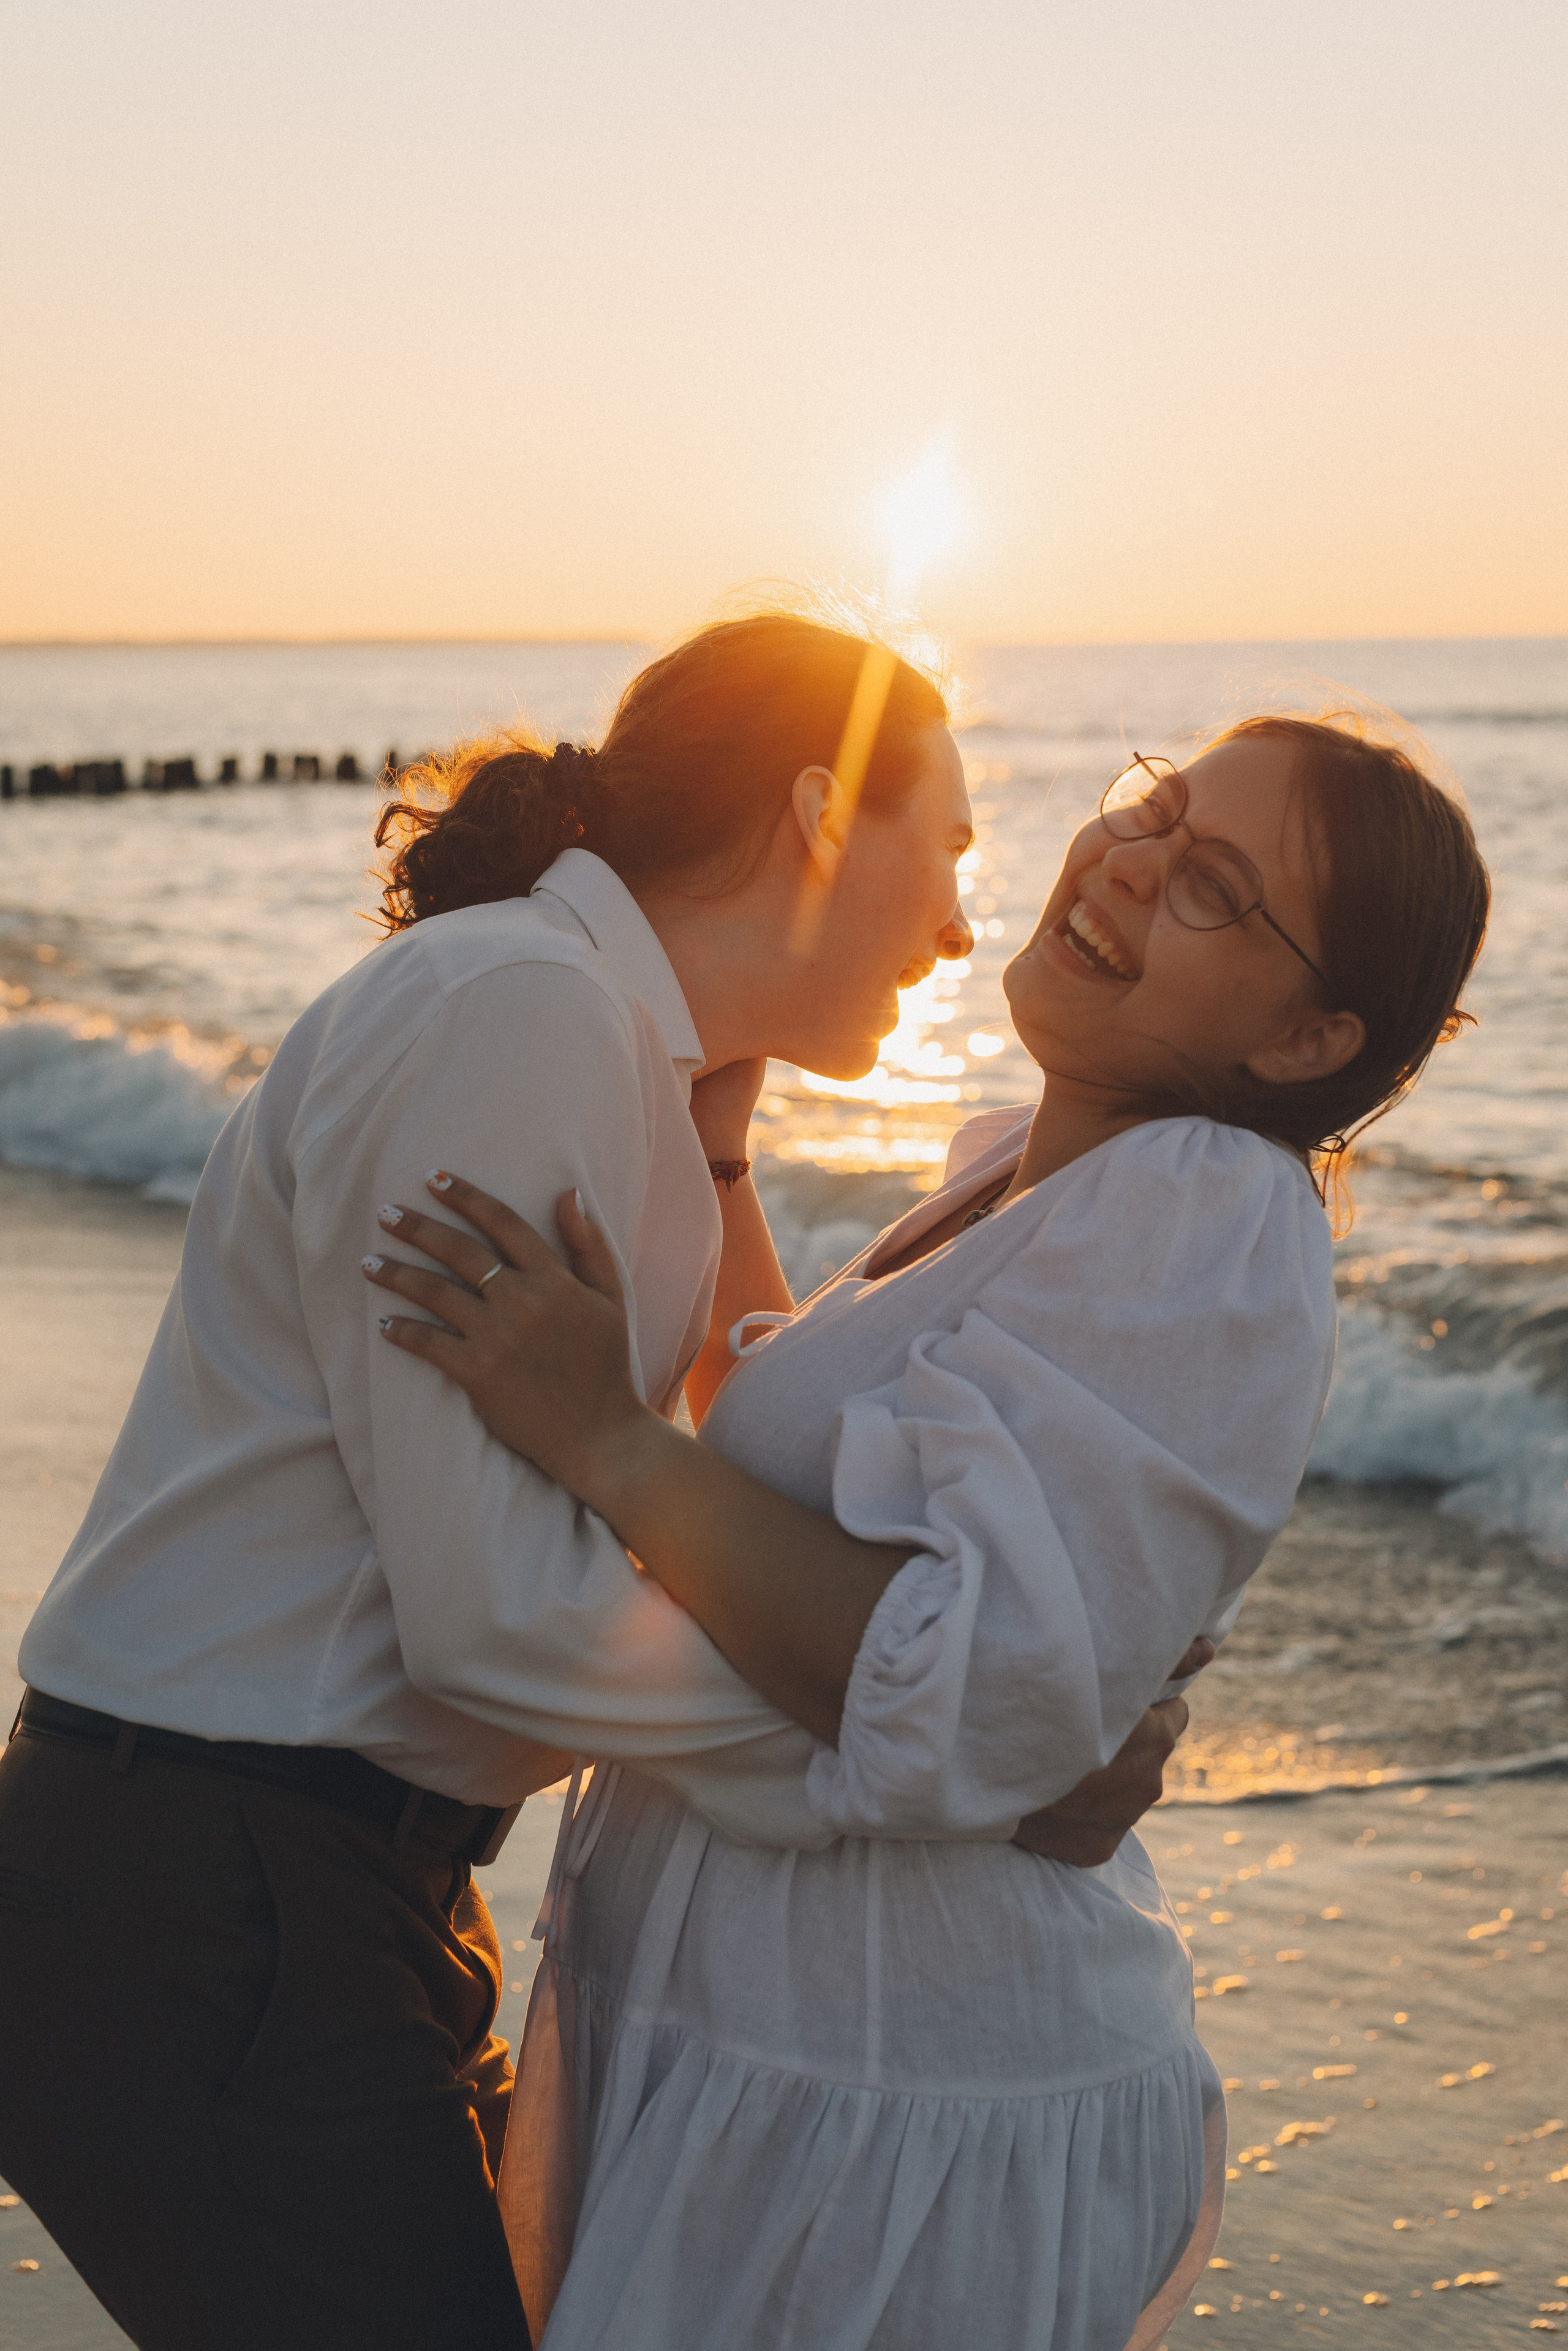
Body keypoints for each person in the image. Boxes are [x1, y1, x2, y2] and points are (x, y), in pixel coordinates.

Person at [0, 610, 1182, 2351]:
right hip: (212, 1901)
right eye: (945, 848)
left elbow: (767, 1427)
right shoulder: (525, 1013)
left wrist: (718, 1132)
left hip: (305, 1886)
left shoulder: (593, 1032)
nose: (953, 924)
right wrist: (959, 1776)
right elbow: (492, 1622)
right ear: (815, 814)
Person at [363, 715, 1490, 2349]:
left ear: (1311, 1039)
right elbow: (817, 1472)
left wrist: (605, 1442)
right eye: (1156, 810)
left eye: (1217, 887)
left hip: (890, 2097)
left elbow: (965, 1678)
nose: (1132, 861)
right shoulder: (1030, 1174)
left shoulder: (1206, 1208)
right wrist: (719, 1150)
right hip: (790, 2053)